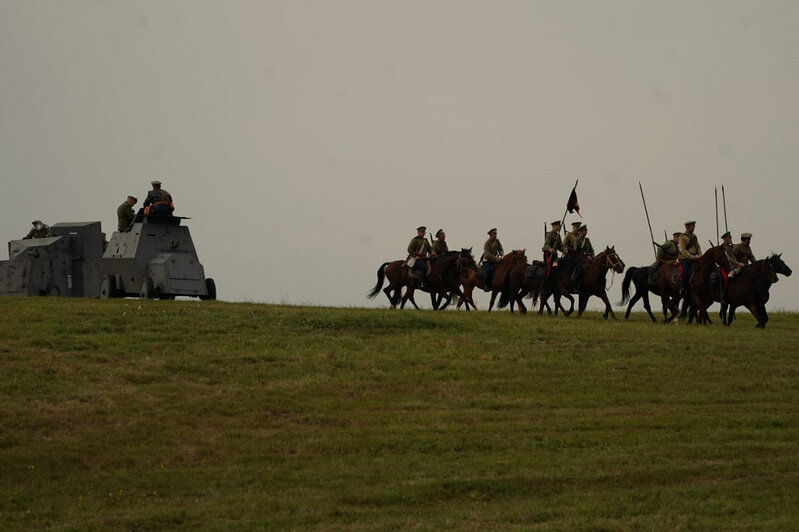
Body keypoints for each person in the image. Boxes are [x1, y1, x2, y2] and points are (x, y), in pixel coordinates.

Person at [678, 220, 702, 296]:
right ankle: (683, 288)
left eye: (694, 227)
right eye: (692, 227)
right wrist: (693, 257)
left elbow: (698, 246)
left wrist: (700, 255)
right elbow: (683, 251)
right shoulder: (682, 237)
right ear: (687, 227)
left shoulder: (693, 236)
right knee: (685, 272)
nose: (693, 228)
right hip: (685, 258)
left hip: (695, 257)